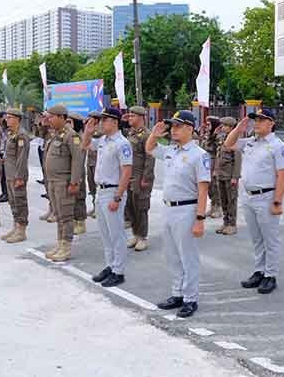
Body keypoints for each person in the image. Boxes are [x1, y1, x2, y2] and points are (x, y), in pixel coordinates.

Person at [145, 110, 210, 319]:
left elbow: (203, 189)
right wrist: (154, 134)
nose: (173, 129)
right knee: (172, 255)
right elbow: (150, 149)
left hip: (187, 209)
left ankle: (190, 298)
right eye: (172, 126)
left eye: (178, 126)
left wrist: (200, 219)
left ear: (190, 129)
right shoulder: (171, 150)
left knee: (187, 256)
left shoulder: (199, 155)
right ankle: (177, 293)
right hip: (168, 208)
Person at [224, 108, 284, 295]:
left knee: (270, 239)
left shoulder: (277, 145)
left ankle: (271, 275)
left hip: (266, 196)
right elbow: (228, 145)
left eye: (261, 120)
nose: (257, 123)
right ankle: (259, 271)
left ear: (271, 123)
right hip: (248, 196)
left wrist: (277, 201)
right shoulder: (251, 142)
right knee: (256, 238)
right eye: (255, 120)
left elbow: (283, 175)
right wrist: (238, 129)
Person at [81, 107, 133, 287]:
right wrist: (87, 132)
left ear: (115, 122)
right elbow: (85, 145)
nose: (101, 123)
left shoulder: (122, 143)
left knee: (116, 234)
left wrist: (118, 197)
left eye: (105, 120)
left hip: (113, 191)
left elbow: (127, 172)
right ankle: (110, 266)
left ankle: (118, 271)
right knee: (105, 233)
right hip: (100, 190)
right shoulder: (103, 140)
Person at [38, 104, 84, 262]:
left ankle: (66, 246)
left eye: (51, 117)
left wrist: (74, 182)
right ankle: (60, 243)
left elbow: (77, 160)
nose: (48, 120)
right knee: (59, 215)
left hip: (64, 182)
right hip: (52, 181)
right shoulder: (55, 134)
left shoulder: (71, 136)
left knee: (66, 216)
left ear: (61, 117)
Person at [124, 106, 156, 251]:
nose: (129, 118)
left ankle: (142, 236)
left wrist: (146, 177)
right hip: (129, 175)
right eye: (129, 116)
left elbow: (150, 158)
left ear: (141, 117)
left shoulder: (147, 135)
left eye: (132, 116)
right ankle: (135, 234)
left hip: (140, 175)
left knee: (141, 207)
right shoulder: (130, 133)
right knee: (131, 205)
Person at [1, 108, 31, 243]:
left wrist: (20, 177)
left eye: (9, 117)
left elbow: (22, 158)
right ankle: (15, 227)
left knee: (20, 202)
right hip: (9, 173)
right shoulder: (11, 133)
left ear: (17, 119)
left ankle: (21, 230)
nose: (7, 120)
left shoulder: (21, 135)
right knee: (13, 202)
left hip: (17, 175)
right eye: (6, 117)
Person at [213, 116, 241, 235]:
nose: (222, 128)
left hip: (230, 176)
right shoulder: (222, 138)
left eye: (224, 126)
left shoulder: (235, 140)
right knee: (223, 200)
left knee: (231, 201)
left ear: (231, 127)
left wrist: (235, 177)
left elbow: (238, 160)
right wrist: (215, 170)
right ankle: (225, 222)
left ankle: (232, 224)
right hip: (221, 174)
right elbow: (218, 156)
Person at [68, 112, 89, 235]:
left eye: (70, 122)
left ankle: (81, 222)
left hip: (78, 171)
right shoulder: (71, 136)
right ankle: (75, 221)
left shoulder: (78, 137)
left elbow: (79, 158)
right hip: (71, 170)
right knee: (72, 198)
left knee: (79, 197)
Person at [201, 115, 222, 218]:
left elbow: (219, 153)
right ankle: (212, 206)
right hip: (206, 162)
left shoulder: (218, 136)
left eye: (209, 124)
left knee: (215, 186)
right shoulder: (207, 134)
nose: (206, 125)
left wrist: (216, 169)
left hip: (213, 161)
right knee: (208, 186)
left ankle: (217, 207)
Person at [85, 110, 102, 218]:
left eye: (90, 117)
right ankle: (94, 206)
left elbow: (96, 139)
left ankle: (99, 209)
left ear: (96, 119)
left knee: (98, 186)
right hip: (90, 160)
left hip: (97, 161)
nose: (88, 119)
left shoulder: (100, 130)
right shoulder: (89, 128)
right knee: (91, 186)